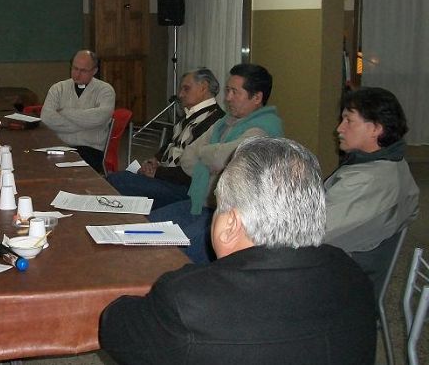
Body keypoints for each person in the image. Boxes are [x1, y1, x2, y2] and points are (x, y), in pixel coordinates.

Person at [99, 137, 377, 365]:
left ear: (230, 224)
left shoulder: (187, 299)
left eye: (218, 205)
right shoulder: (354, 277)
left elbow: (115, 328)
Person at [149, 63, 283, 263]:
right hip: (200, 202)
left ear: (257, 97)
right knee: (148, 226)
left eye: (234, 92)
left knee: (176, 254)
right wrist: (212, 158)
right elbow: (188, 158)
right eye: (227, 90)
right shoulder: (225, 123)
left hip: (229, 216)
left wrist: (208, 155)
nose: (227, 98)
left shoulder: (263, 130)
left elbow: (224, 157)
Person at [325, 87, 419, 298]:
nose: (339, 128)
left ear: (376, 128)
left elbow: (312, 233)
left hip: (340, 288)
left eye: (349, 121)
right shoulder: (394, 163)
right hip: (354, 271)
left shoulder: (369, 181)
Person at [107, 68, 223, 209]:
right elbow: (171, 143)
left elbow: (194, 170)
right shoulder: (191, 115)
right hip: (168, 177)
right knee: (121, 178)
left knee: (118, 181)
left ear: (203, 87)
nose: (180, 94)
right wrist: (155, 160)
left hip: (184, 189)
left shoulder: (214, 122)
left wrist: (157, 173)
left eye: (186, 89)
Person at [40, 50, 115, 173]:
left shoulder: (105, 91)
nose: (77, 74)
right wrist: (85, 124)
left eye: (83, 70)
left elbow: (99, 118)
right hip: (59, 146)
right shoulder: (58, 88)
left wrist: (64, 112)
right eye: (75, 68)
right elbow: (47, 118)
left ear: (94, 71)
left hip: (90, 150)